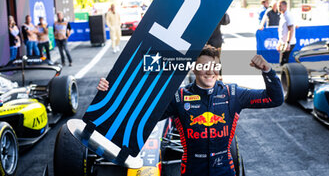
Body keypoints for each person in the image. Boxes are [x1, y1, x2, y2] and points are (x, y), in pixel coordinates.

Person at [97, 46, 283, 176]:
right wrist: (111, 93)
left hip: (224, 170)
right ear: (193, 68)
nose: (209, 72)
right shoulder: (178, 97)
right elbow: (141, 114)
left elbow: (274, 99)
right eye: (203, 66)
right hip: (192, 170)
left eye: (214, 66)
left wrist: (268, 71)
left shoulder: (233, 93)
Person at [277, 0, 296, 66]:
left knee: (284, 63)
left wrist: (288, 43)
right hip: (283, 43)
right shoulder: (282, 15)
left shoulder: (288, 15)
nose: (278, 8)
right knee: (282, 63)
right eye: (278, 6)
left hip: (288, 43)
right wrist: (280, 42)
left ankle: (285, 76)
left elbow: (291, 29)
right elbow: (281, 30)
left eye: (280, 6)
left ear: (285, 6)